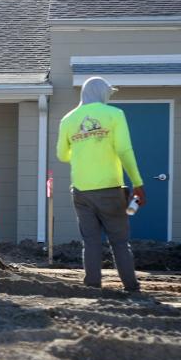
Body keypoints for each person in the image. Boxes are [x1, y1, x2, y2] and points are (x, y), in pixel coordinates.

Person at [56, 76, 146, 292]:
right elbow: (124, 151)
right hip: (110, 189)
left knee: (91, 242)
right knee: (119, 241)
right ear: (102, 93)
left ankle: (92, 285)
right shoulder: (115, 115)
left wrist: (82, 152)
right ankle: (130, 286)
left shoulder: (68, 119)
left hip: (81, 191)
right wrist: (138, 183)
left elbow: (61, 155)